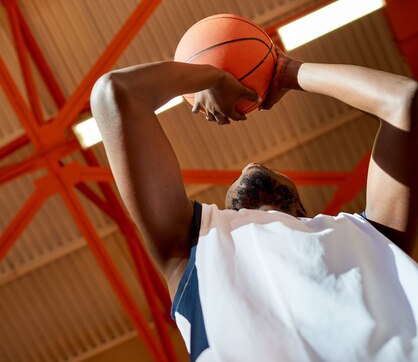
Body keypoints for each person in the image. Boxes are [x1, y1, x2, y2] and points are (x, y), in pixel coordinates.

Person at [90, 49, 418, 361]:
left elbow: (404, 100)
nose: (250, 164)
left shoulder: (370, 234)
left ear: (303, 210)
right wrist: (210, 77)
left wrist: (286, 71)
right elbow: (115, 93)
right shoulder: (189, 246)